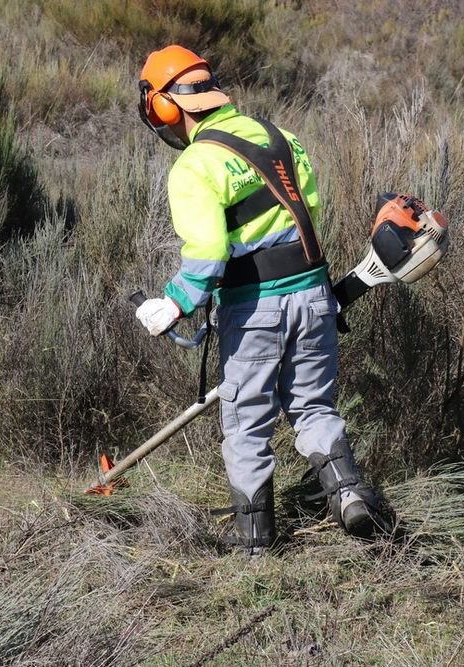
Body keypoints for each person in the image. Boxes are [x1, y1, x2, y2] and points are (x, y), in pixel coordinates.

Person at [134, 45, 384, 555]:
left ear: (163, 107)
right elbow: (306, 213)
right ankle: (352, 496)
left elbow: (206, 251)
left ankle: (254, 540)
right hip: (314, 293)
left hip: (254, 308)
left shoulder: (195, 166)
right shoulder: (281, 137)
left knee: (246, 423)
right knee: (313, 406)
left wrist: (175, 302)